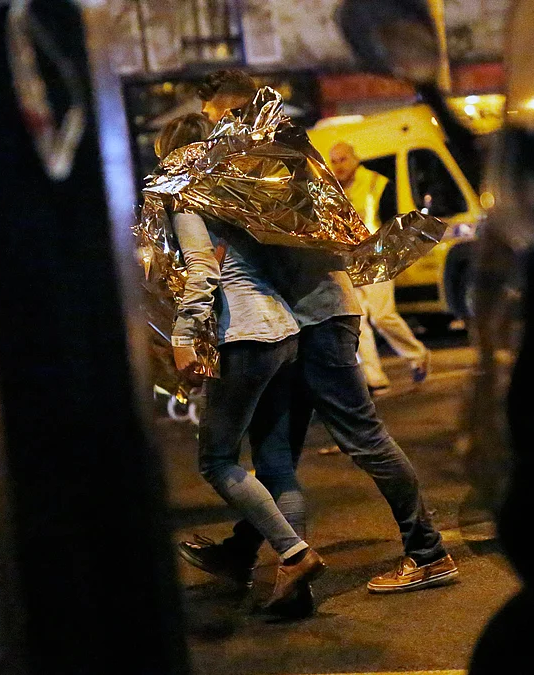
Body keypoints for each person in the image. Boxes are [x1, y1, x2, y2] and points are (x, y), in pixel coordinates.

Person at [180, 69, 457, 594]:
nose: (211, 127)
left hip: (322, 316)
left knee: (362, 437)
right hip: (302, 320)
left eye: (216, 114)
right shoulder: (258, 161)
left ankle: (429, 552)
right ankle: (253, 555)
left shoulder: (274, 161)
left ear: (238, 108)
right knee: (276, 449)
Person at [157, 113, 325, 615]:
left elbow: (204, 271)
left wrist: (184, 337)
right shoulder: (234, 190)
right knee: (275, 463)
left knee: (216, 460)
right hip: (284, 332)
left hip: (245, 338)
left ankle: (293, 554)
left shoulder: (187, 195)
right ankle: (296, 591)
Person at [328, 141, 431, 395]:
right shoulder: (332, 190)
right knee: (358, 321)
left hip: (377, 259)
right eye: (334, 161)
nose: (338, 166)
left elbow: (391, 222)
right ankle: (374, 378)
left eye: (343, 159)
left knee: (383, 316)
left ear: (355, 159)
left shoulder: (377, 183)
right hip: (348, 263)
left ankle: (417, 355)